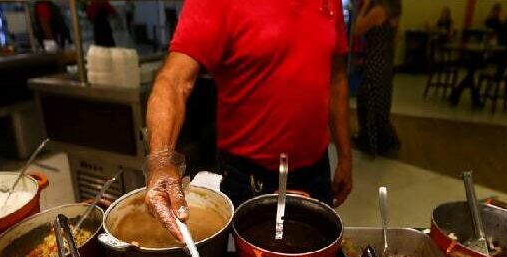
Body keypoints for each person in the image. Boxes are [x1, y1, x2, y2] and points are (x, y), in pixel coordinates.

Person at [144, 0, 353, 240]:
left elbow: (336, 78)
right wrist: (160, 161)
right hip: (249, 179)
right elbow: (173, 80)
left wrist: (345, 157)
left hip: (316, 172)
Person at [353, 0, 402, 157]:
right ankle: (382, 141)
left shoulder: (378, 11)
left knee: (368, 99)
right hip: (386, 60)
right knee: (379, 101)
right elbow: (395, 38)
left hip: (375, 60)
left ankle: (370, 142)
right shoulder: (393, 10)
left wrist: (366, 5)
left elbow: (356, 30)